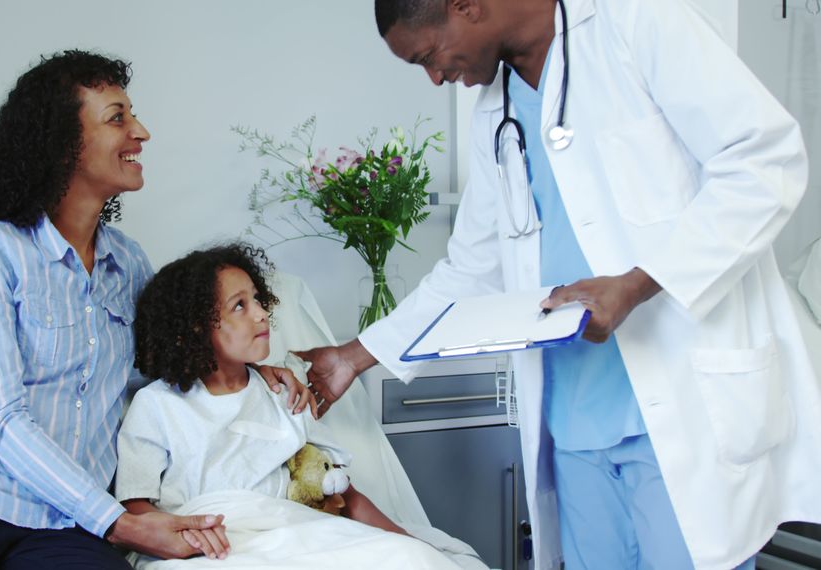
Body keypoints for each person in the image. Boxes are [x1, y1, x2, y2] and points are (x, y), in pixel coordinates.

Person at [296, 1, 821, 569]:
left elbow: (764, 162)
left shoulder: (639, 23)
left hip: (679, 408)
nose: (436, 77)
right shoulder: (494, 110)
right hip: (572, 421)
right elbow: (472, 265)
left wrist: (639, 284)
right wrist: (352, 358)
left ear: (466, 5)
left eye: (429, 56)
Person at [0, 50, 310, 569]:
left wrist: (252, 371)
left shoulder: (131, 264)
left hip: (68, 520)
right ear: (62, 142)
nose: (142, 132)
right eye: (118, 118)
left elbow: (164, 374)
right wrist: (119, 521)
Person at [115, 243, 413, 562]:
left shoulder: (283, 393)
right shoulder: (156, 406)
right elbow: (136, 505)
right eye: (239, 306)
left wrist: (408, 543)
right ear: (195, 326)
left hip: (289, 536)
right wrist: (186, 533)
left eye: (257, 299)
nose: (262, 312)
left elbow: (346, 496)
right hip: (208, 548)